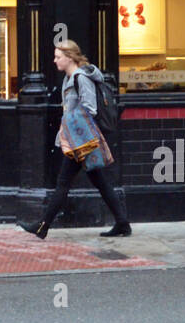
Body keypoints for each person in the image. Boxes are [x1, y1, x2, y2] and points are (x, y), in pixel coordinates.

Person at [19, 40, 131, 239]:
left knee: (63, 182)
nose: (55, 61)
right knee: (101, 182)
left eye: (58, 57)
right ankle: (122, 223)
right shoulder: (70, 78)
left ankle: (42, 226)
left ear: (69, 58)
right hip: (78, 139)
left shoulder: (81, 78)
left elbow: (90, 108)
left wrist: (71, 129)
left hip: (81, 141)